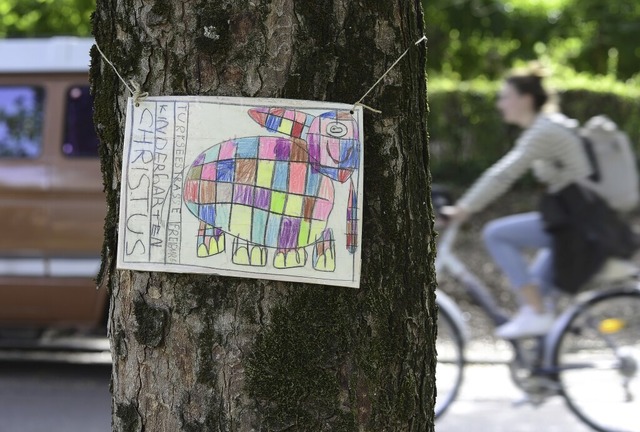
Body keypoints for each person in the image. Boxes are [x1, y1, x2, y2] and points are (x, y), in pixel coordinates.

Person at [442, 68, 594, 339]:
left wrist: (464, 208)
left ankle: (538, 317)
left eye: (505, 97)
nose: (500, 104)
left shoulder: (544, 131)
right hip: (575, 220)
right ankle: (543, 365)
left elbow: (503, 174)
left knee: (496, 234)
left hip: (577, 222)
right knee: (533, 290)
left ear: (525, 99)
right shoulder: (549, 126)